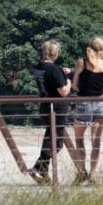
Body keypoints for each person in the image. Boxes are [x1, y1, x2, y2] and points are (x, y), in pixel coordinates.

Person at [71, 36, 103, 184]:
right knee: (96, 141)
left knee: (79, 140)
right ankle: (93, 176)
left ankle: (82, 172)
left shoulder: (82, 62)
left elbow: (75, 85)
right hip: (99, 103)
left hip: (83, 102)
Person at [30, 39, 72, 184]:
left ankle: (41, 170)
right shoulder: (55, 70)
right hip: (56, 108)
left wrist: (61, 72)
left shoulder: (38, 67)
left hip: (44, 105)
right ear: (55, 53)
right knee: (56, 142)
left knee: (50, 137)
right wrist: (68, 80)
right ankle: (38, 168)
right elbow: (64, 91)